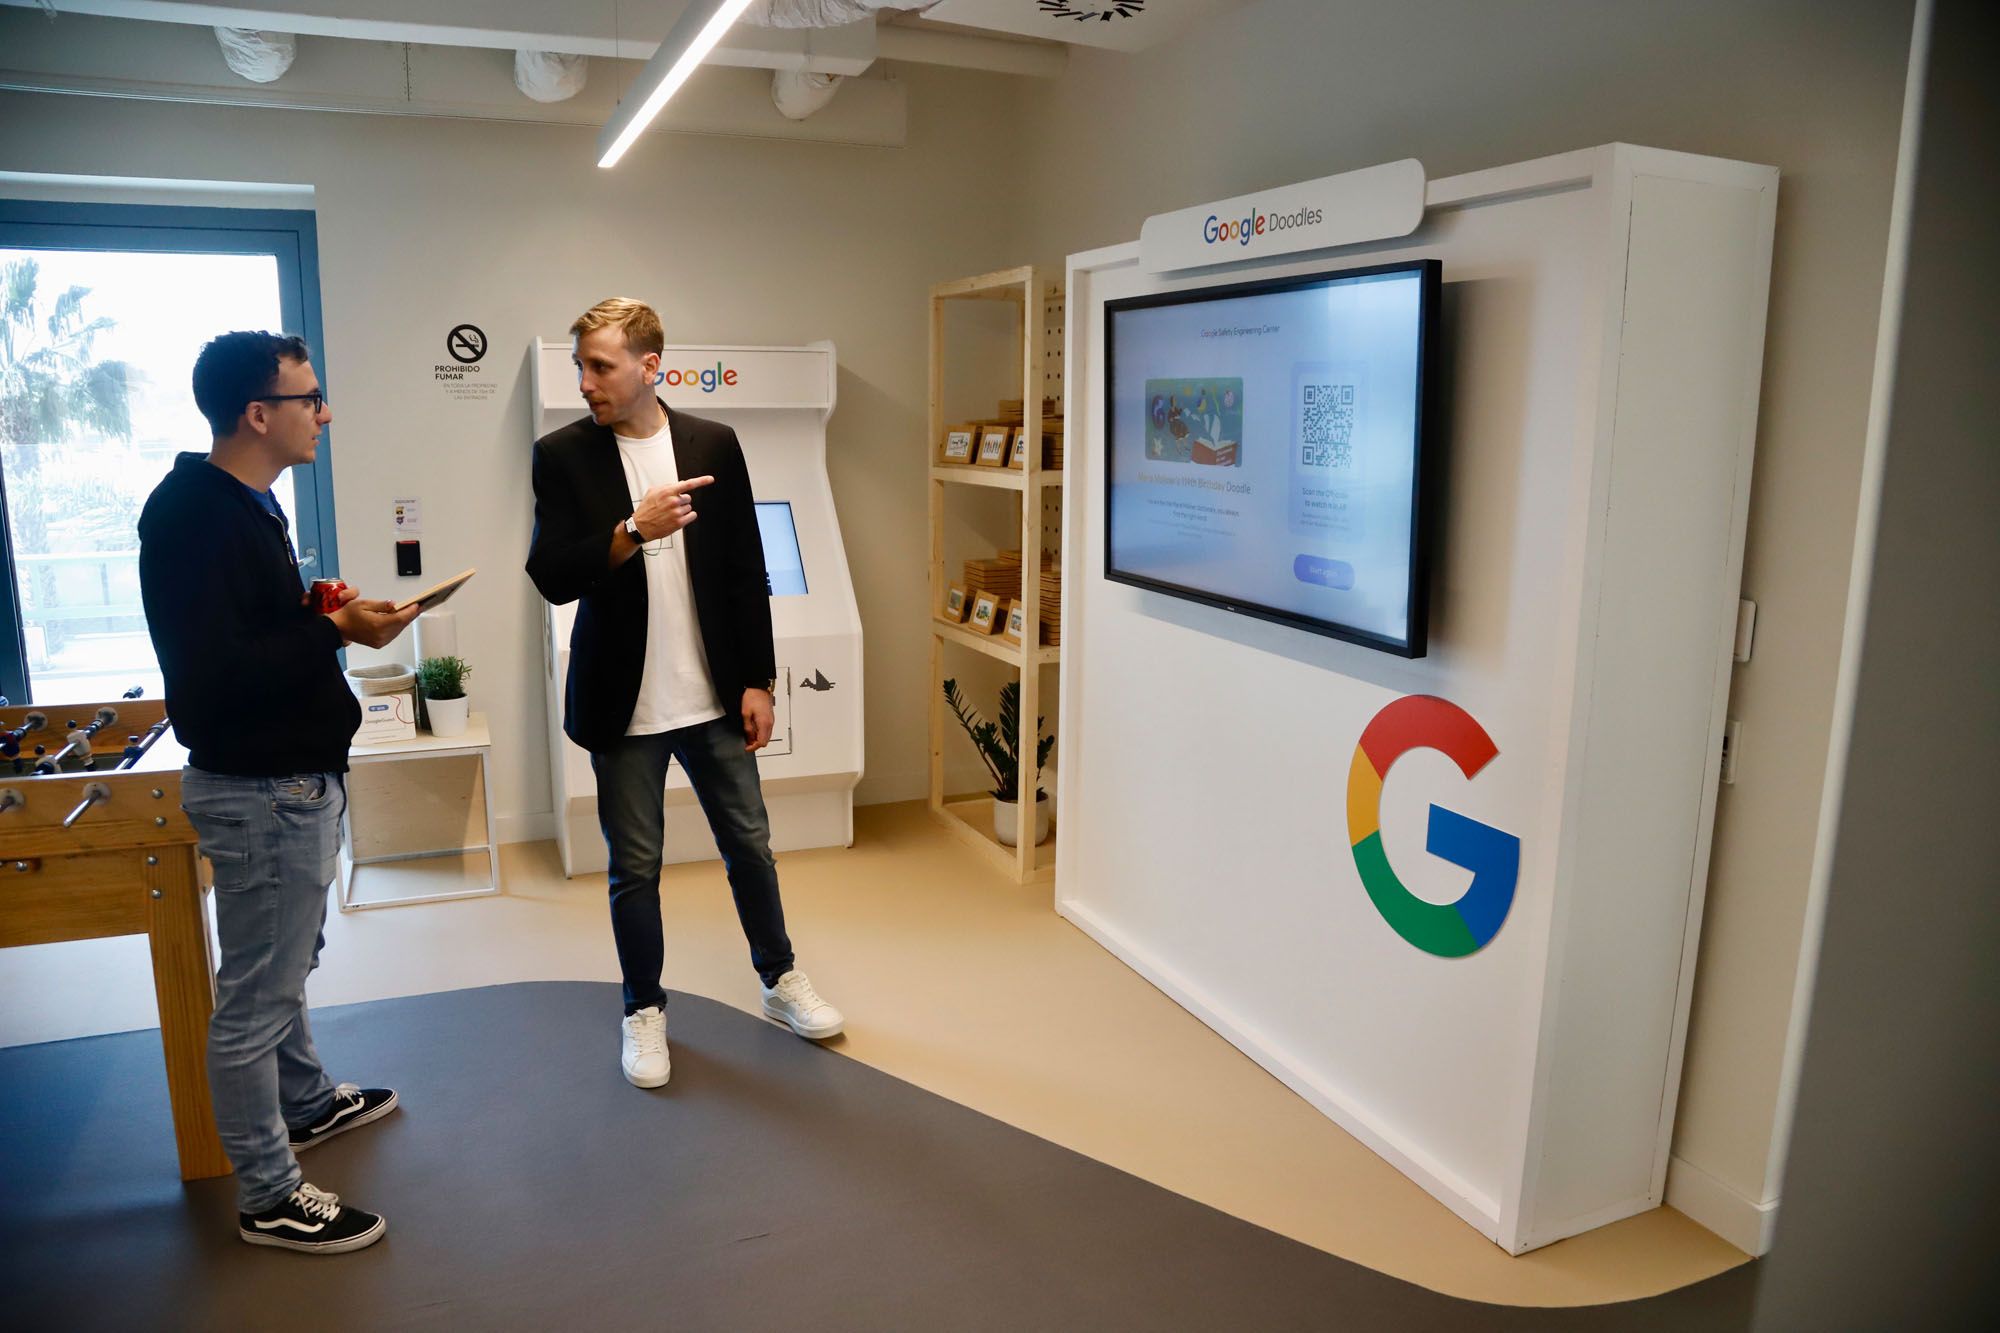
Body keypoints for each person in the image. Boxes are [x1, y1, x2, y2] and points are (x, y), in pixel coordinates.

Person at [138, 331, 419, 1254]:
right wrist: (332, 631)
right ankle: (267, 1191)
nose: (324, 414)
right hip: (259, 791)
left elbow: (252, 634)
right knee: (256, 993)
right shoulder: (189, 514)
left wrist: (324, 617)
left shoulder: (249, 505)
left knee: (283, 963)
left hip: (295, 781)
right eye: (311, 398)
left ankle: (304, 1103)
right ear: (259, 413)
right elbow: (214, 674)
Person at [527, 297, 843, 1089]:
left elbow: (746, 571)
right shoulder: (562, 455)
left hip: (713, 698)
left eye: (600, 366)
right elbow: (553, 575)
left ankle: (779, 980)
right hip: (623, 705)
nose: (585, 382)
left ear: (649, 367)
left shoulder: (713, 444)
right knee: (636, 868)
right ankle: (643, 1011)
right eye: (580, 366)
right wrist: (632, 531)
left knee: (750, 846)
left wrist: (759, 680)